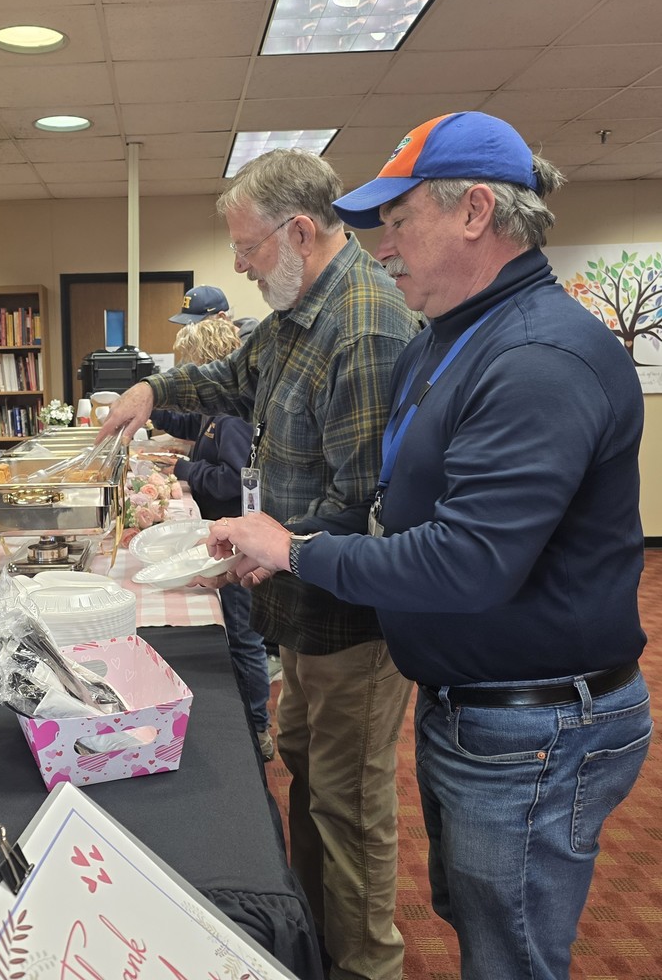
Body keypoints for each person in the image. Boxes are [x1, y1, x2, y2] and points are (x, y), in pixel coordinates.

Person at [205, 112, 653, 980]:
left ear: (476, 211)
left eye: (399, 221)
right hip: (474, 706)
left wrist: (297, 552)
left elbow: (464, 561)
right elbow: (384, 505)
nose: (382, 246)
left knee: (509, 950)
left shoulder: (536, 357)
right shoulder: (452, 337)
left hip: (536, 721)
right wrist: (292, 543)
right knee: (476, 923)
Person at [99, 147, 420, 980]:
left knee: (349, 816)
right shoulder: (294, 317)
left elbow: (367, 506)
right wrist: (149, 391)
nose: (238, 266)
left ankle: (363, 967)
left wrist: (273, 550)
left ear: (301, 231)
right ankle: (314, 948)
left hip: (350, 628)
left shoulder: (366, 325)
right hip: (303, 620)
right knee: (314, 796)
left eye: (246, 247)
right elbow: (229, 380)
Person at [151, 317, 274, 760]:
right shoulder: (214, 415)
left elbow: (239, 481)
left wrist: (185, 470)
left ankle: (258, 728)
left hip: (239, 542)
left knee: (242, 637)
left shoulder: (231, 417)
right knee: (239, 634)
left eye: (190, 365)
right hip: (225, 535)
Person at [169, 283, 259, 341]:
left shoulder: (252, 345)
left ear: (221, 318)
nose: (191, 331)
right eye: (186, 325)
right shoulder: (206, 345)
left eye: (197, 325)